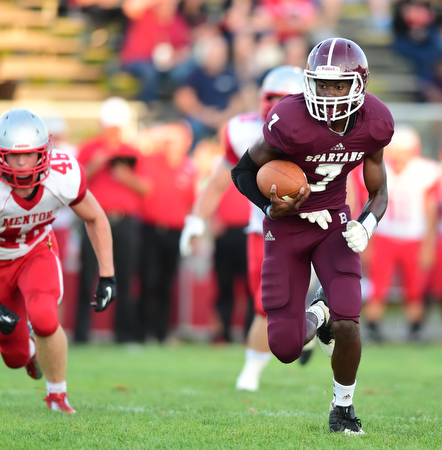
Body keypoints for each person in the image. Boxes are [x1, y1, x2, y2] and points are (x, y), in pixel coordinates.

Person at [231, 38, 394, 434]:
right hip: (287, 227)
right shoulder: (288, 118)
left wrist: (365, 225)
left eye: (338, 85)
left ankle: (343, 408)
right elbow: (242, 172)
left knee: (348, 322)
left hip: (334, 223)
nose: (328, 93)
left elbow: (379, 192)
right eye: (321, 84)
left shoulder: (375, 121)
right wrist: (271, 207)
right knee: (285, 348)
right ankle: (316, 312)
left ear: (359, 84)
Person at [0, 108, 117, 413]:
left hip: (36, 250)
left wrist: (107, 274)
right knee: (13, 355)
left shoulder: (64, 173)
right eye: (11, 155)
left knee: (44, 316)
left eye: (28, 154)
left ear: (45, 151)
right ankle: (28, 353)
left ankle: (57, 395)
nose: (20, 163)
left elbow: (95, 217)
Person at [180, 65, 306, 389]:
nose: (278, 105)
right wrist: (197, 218)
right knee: (267, 304)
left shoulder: (320, 131)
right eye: (273, 98)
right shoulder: (242, 130)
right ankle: (251, 372)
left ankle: (312, 321)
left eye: (286, 98)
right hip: (265, 228)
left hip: (314, 224)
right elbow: (221, 177)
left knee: (329, 293)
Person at [75, 97, 150, 344]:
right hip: (95, 219)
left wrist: (125, 177)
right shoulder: (89, 148)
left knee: (126, 277)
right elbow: (75, 181)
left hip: (125, 220)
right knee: (88, 276)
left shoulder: (132, 151)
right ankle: (81, 334)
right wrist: (96, 163)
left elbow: (146, 188)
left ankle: (124, 335)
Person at [364, 123, 440, 342]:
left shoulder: (425, 171)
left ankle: (415, 329)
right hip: (385, 235)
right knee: (378, 286)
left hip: (414, 237)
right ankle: (373, 327)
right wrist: (369, 241)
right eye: (395, 150)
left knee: (414, 287)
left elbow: (431, 211)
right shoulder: (378, 168)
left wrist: (427, 245)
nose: (398, 156)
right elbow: (368, 204)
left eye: (403, 151)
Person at [134, 122, 196, 343]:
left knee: (167, 284)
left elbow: (191, 203)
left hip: (175, 231)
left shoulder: (189, 167)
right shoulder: (150, 161)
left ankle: (161, 333)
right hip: (151, 229)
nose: (171, 146)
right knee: (148, 281)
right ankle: (141, 332)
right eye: (168, 141)